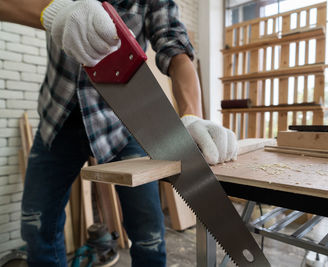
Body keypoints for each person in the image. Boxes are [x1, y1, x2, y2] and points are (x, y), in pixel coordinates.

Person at [0, 0, 238, 266]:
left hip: (122, 125)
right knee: (37, 229)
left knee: (148, 236)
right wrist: (53, 11)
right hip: (57, 120)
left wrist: (191, 115)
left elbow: (176, 48)